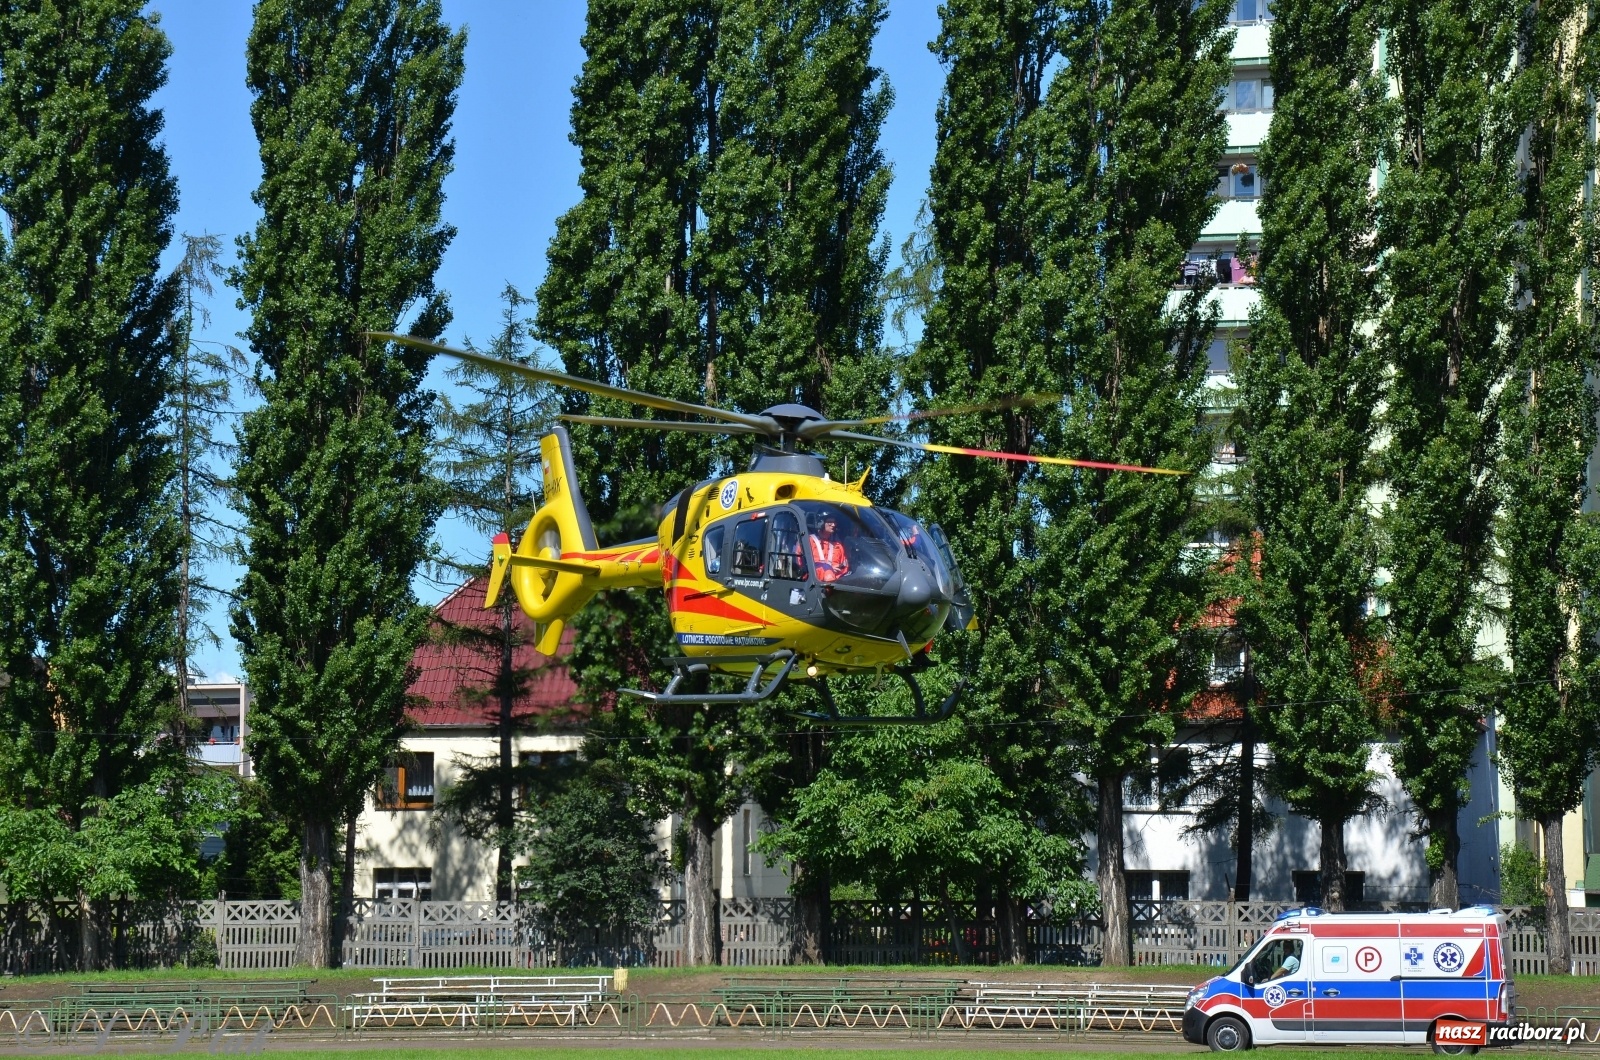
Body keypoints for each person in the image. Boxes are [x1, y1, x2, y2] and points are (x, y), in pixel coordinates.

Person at [808, 513, 850, 583]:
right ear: (821, 523)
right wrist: (829, 569)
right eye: (830, 522)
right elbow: (802, 565)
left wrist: (838, 568)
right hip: (814, 582)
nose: (833, 525)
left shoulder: (838, 545)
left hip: (834, 582)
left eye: (834, 522)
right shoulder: (809, 541)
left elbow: (844, 567)